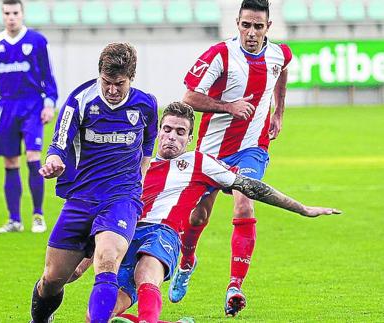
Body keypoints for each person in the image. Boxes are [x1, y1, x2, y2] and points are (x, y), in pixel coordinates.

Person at [106, 102, 340, 323]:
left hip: (161, 236)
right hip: (125, 237)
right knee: (96, 315)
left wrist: (302, 209)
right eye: (167, 129)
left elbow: (252, 187)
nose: (172, 137)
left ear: (189, 139)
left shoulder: (198, 162)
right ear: (159, 132)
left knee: (147, 271)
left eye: (180, 132)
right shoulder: (138, 162)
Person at [169, 0, 293, 316]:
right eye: (246, 25)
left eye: (258, 26)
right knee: (197, 217)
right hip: (212, 150)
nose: (251, 33)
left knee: (245, 200)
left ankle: (235, 286)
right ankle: (187, 261)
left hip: (252, 148)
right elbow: (188, 97)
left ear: (268, 27)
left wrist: (278, 110)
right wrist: (229, 106)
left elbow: (282, 72)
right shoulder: (220, 55)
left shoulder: (279, 53)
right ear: (237, 23)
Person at [30, 43, 158, 323]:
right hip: (82, 199)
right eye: (107, 83)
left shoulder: (146, 105)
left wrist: (140, 180)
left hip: (121, 199)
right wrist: (54, 161)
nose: (112, 90)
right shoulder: (80, 100)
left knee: (108, 259)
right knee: (53, 279)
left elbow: (148, 145)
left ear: (131, 77)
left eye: (119, 84)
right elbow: (58, 144)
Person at [0, 0, 58, 234]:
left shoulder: (37, 42)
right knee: (10, 162)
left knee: (32, 156)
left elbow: (48, 76)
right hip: (6, 106)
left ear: (22, 14)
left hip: (32, 105)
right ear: (2, 15)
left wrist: (49, 103)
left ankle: (38, 215)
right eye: (7, 13)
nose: (11, 17)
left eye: (15, 13)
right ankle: (14, 220)